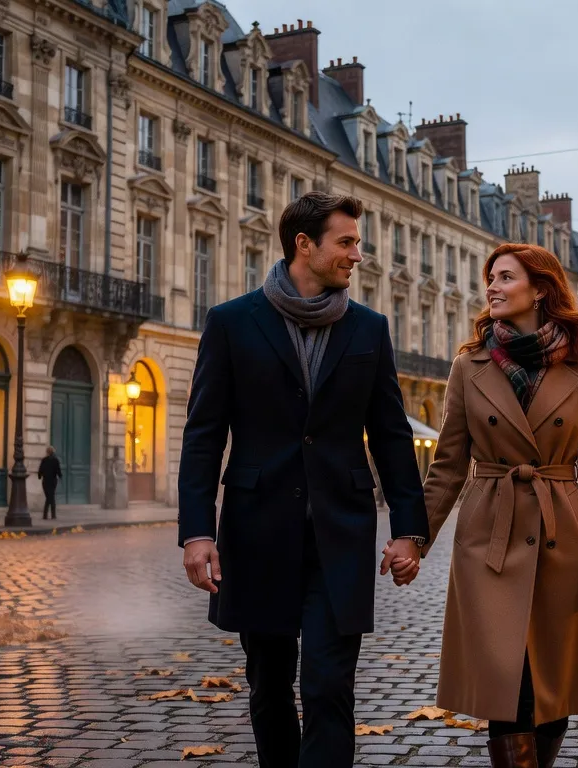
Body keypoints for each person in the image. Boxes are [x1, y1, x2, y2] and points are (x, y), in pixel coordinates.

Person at [178, 192, 428, 768]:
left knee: (327, 685)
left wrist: (409, 529)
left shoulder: (369, 329)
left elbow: (391, 435)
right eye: (346, 242)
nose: (356, 255)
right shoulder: (232, 322)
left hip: (339, 535)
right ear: (304, 245)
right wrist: (196, 532)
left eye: (356, 243)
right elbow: (204, 435)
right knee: (268, 687)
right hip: (257, 531)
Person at [418, 243, 578, 768]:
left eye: (505, 277)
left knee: (552, 683)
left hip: (563, 536)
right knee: (505, 684)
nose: (491, 286)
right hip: (490, 532)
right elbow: (447, 465)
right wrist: (414, 537)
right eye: (490, 278)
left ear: (540, 289)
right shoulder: (470, 367)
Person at [37, 446, 62, 520]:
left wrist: (39, 476)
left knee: (49, 497)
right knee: (51, 497)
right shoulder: (55, 460)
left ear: (47, 452)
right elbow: (58, 470)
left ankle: (45, 515)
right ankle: (52, 515)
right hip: (53, 481)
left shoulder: (44, 460)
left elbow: (40, 470)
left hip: (45, 481)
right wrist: (60, 476)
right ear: (53, 452)